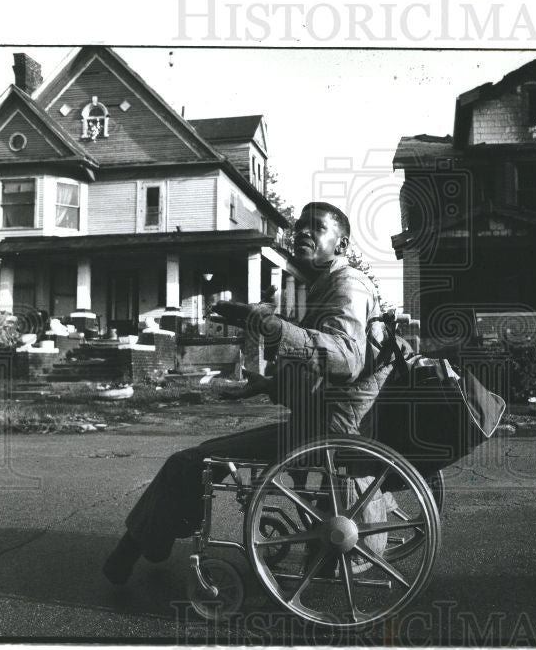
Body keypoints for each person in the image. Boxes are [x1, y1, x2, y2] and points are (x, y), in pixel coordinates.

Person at [103, 202, 406, 585]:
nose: (302, 234)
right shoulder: (327, 286)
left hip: (330, 435)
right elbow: (332, 374)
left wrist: (267, 324)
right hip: (324, 425)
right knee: (194, 459)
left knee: (190, 461)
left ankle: (137, 547)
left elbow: (345, 360)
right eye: (299, 227)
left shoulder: (347, 285)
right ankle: (152, 536)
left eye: (315, 228)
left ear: (342, 245)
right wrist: (267, 385)